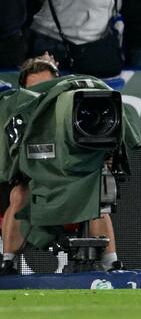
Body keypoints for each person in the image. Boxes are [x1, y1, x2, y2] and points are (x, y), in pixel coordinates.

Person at [0, 53, 122, 275]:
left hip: (76, 184)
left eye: (48, 87)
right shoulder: (15, 118)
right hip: (37, 188)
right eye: (35, 91)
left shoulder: (77, 113)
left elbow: (104, 148)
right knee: (18, 195)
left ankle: (111, 264)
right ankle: (8, 261)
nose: (43, 96)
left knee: (96, 195)